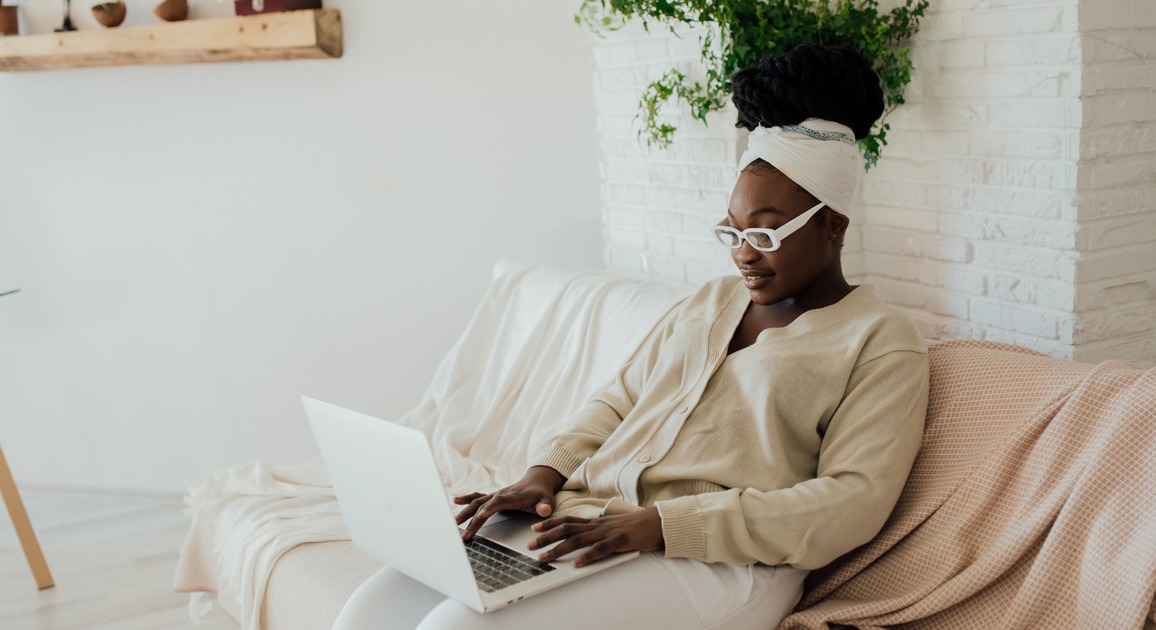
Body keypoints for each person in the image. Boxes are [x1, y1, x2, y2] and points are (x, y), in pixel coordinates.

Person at [332, 43, 930, 630]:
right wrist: (542, 476)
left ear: (832, 224)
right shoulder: (710, 302)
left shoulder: (880, 342)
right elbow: (616, 401)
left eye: (768, 235)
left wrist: (665, 525)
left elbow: (853, 500)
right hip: (593, 516)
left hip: (721, 564)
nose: (745, 255)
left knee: (456, 626)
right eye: (733, 232)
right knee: (372, 609)